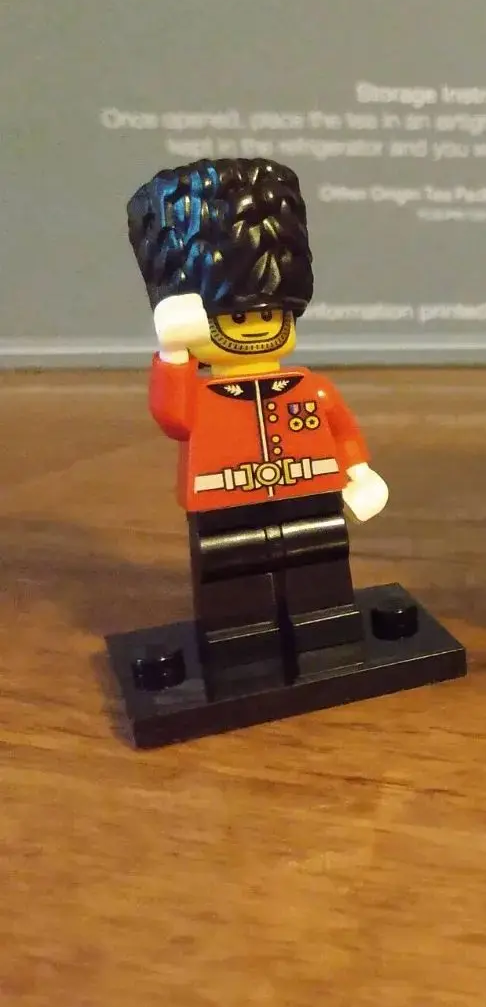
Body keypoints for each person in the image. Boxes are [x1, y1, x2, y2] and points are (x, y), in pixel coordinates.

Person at [127, 157, 389, 693]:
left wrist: (360, 472)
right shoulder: (202, 395)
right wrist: (173, 353)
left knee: (319, 561)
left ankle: (326, 634)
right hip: (225, 506)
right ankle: (241, 647)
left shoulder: (309, 387)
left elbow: (340, 429)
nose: (255, 327)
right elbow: (174, 418)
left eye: (270, 313)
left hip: (311, 498)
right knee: (231, 573)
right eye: (239, 316)